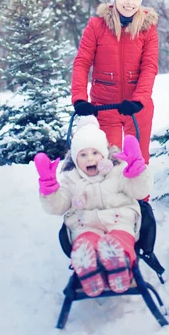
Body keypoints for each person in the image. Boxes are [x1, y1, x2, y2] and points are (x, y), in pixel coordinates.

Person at [34, 116, 153, 297]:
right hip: (85, 225)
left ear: (104, 154)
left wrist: (137, 172)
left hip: (119, 222)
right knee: (85, 242)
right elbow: (58, 206)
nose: (90, 159)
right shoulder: (71, 179)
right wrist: (49, 189)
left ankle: (119, 266)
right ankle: (89, 269)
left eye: (95, 153)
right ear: (75, 158)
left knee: (119, 240)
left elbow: (138, 191)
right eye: (83, 154)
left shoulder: (118, 170)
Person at [71, 0, 159, 163]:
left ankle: (140, 194)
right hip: (104, 107)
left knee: (138, 163)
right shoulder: (96, 26)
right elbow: (82, 62)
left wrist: (139, 99)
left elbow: (149, 67)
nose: (129, 2)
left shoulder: (147, 28)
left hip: (136, 108)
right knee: (108, 162)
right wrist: (79, 98)